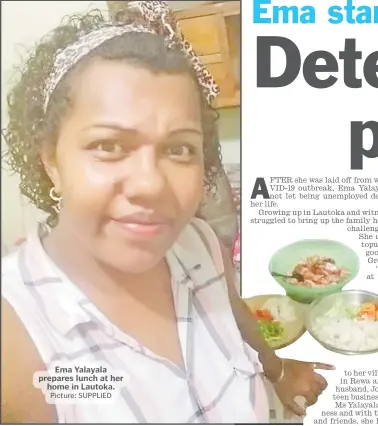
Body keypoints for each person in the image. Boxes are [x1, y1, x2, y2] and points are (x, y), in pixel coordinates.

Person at [1, 1, 334, 423]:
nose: (151, 185)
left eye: (179, 149)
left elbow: (230, 314)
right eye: (109, 146)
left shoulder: (196, 244)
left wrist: (279, 372)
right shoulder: (16, 341)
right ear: (50, 160)